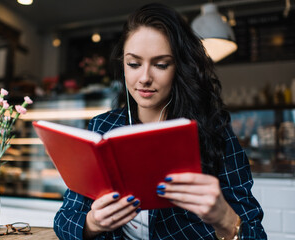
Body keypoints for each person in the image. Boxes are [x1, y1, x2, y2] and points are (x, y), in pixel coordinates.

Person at [54, 3, 267, 239]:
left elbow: (256, 234)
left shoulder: (213, 130)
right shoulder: (102, 127)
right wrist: (92, 223)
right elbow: (64, 220)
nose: (144, 78)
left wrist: (225, 218)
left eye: (161, 64)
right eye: (133, 64)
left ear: (179, 67)